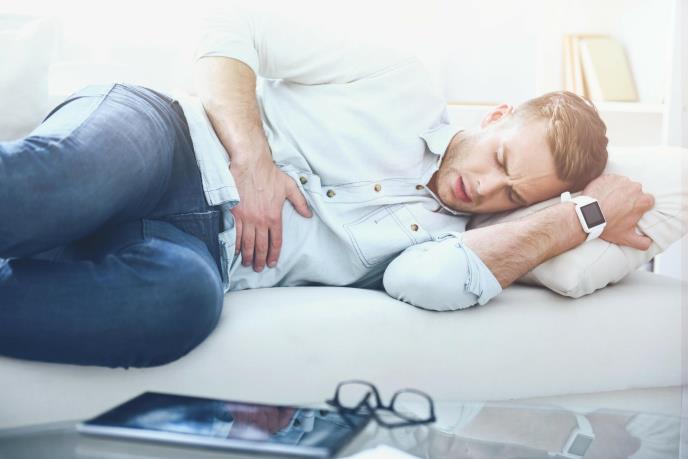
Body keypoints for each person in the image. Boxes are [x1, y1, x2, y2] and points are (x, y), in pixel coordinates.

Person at [0, 4, 654, 368]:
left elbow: (428, 286)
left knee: (181, 307)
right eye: (501, 158)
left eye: (513, 195)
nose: (484, 187)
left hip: (196, 251)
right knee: (52, 187)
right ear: (495, 116)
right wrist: (253, 160)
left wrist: (582, 215)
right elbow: (232, 25)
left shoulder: (448, 244)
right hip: (167, 139)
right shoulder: (399, 79)